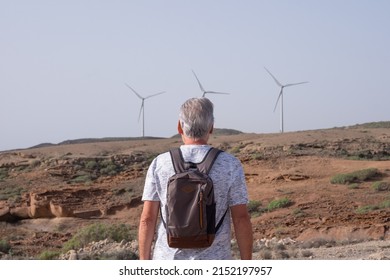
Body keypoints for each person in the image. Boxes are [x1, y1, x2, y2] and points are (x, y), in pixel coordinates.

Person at [138, 97, 253, 260]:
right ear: (211, 127)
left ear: (179, 126)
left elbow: (147, 219)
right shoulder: (230, 164)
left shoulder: (160, 163)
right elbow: (241, 219)